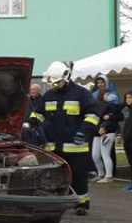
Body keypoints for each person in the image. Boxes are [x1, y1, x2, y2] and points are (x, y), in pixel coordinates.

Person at [28, 61, 100, 215]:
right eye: (53, 83)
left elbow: (93, 115)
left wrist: (83, 131)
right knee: (53, 176)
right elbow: (38, 113)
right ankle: (57, 201)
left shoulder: (81, 94)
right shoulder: (49, 95)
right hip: (54, 146)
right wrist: (31, 123)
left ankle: (82, 203)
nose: (55, 85)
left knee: (78, 176)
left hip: (76, 146)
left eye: (58, 82)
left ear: (66, 77)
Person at [91, 90, 122, 183]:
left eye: (110, 95)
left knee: (105, 154)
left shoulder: (112, 107)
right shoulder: (98, 106)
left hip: (108, 132)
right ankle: (101, 173)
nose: (109, 96)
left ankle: (109, 176)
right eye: (107, 94)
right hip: (97, 133)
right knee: (95, 155)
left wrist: (110, 118)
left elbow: (120, 117)